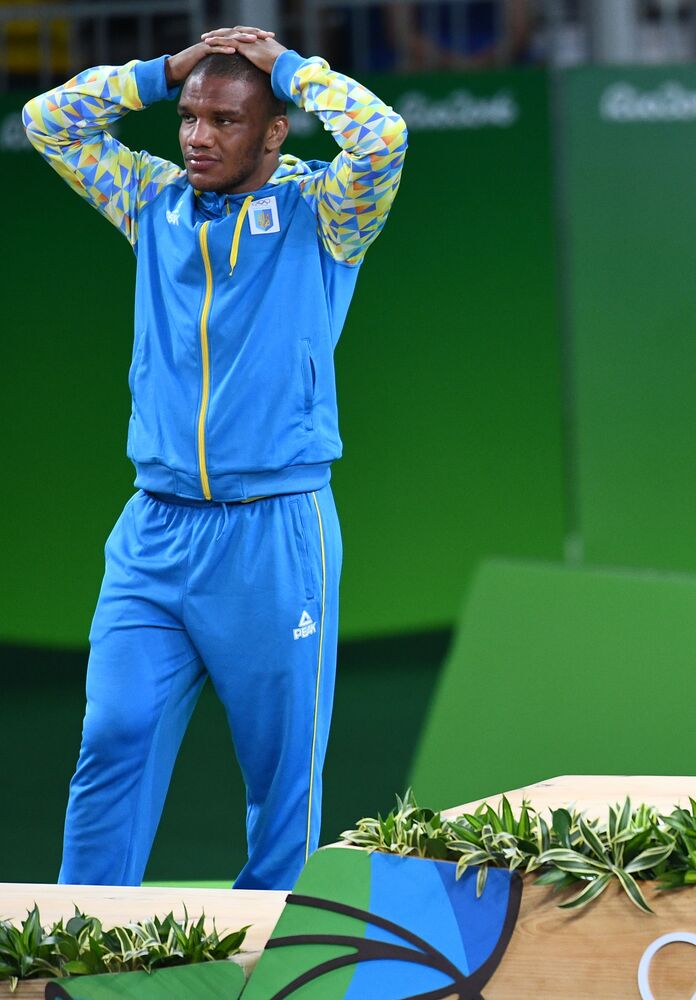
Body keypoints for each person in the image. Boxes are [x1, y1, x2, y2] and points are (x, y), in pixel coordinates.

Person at [24, 25, 407, 889]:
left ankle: (273, 964)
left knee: (280, 782)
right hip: (153, 531)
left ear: (276, 130)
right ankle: (76, 948)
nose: (197, 136)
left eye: (227, 120)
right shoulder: (151, 199)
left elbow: (383, 135)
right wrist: (162, 75)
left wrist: (293, 71)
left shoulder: (326, 215)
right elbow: (49, 120)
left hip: (275, 534)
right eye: (191, 118)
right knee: (113, 734)